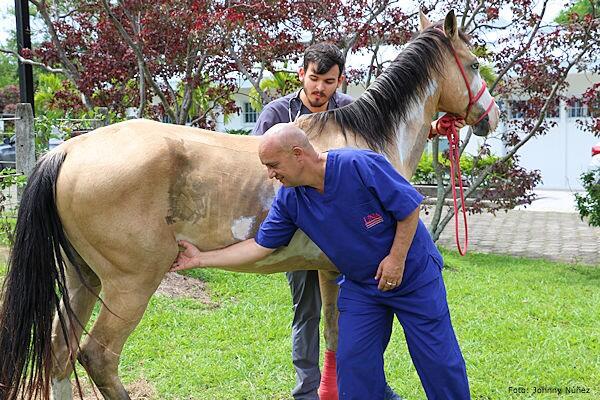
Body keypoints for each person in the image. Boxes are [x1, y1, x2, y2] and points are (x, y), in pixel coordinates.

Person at [172, 124, 471, 399]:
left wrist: (396, 259)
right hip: (363, 287)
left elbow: (409, 208)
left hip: (413, 276)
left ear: (298, 154)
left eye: (273, 165)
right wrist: (201, 259)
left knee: (438, 362)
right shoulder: (291, 198)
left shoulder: (359, 165)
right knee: (353, 364)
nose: (270, 175)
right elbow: (260, 246)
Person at [251, 42, 357, 400]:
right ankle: (308, 392)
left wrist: (432, 128)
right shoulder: (276, 113)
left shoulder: (349, 112)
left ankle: (343, 385)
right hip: (294, 229)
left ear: (340, 80)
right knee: (307, 310)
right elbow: (257, 172)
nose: (320, 89)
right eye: (314, 79)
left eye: (329, 81)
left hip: (338, 231)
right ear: (301, 75)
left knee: (348, 306)